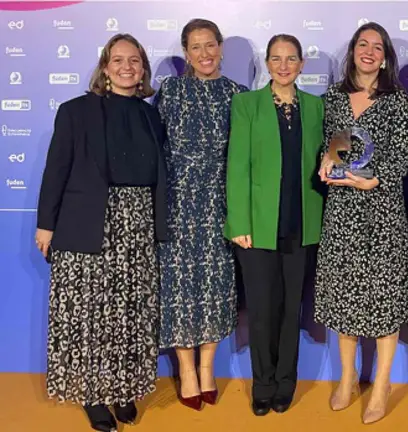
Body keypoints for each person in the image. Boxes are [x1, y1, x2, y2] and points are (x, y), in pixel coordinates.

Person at [34, 33, 166, 432]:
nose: (127, 67)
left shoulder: (150, 115)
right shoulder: (75, 111)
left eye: (135, 61)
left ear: (142, 68)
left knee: (130, 310)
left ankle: (124, 389)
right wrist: (46, 224)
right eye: (118, 60)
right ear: (105, 67)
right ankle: (93, 395)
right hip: (88, 221)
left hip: (138, 224)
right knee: (91, 312)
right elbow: (56, 168)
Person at [314, 21, 408, 425]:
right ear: (353, 50)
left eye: (377, 46)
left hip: (381, 211)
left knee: (383, 299)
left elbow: (403, 154)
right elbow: (336, 143)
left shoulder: (396, 99)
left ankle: (383, 383)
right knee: (345, 295)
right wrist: (328, 162)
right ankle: (348, 377)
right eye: (363, 44)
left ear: (386, 55)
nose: (369, 51)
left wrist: (375, 180)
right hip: (342, 211)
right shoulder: (336, 96)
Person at [225, 34, 325, 416]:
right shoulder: (246, 104)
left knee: (291, 311)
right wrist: (239, 222)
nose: (284, 66)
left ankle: (286, 383)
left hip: (302, 225)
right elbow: (237, 168)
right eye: (276, 58)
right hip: (257, 227)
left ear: (301, 64)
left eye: (291, 59)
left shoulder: (316, 107)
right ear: (266, 63)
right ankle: (262, 385)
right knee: (262, 311)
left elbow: (328, 160)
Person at [153, 18, 249, 410]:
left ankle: (207, 368)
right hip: (176, 205)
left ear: (221, 47)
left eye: (210, 45)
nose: (205, 54)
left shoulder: (238, 94)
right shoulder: (170, 91)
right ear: (186, 52)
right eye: (195, 47)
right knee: (177, 292)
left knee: (215, 289)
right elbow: (155, 151)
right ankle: (187, 370)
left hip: (220, 206)